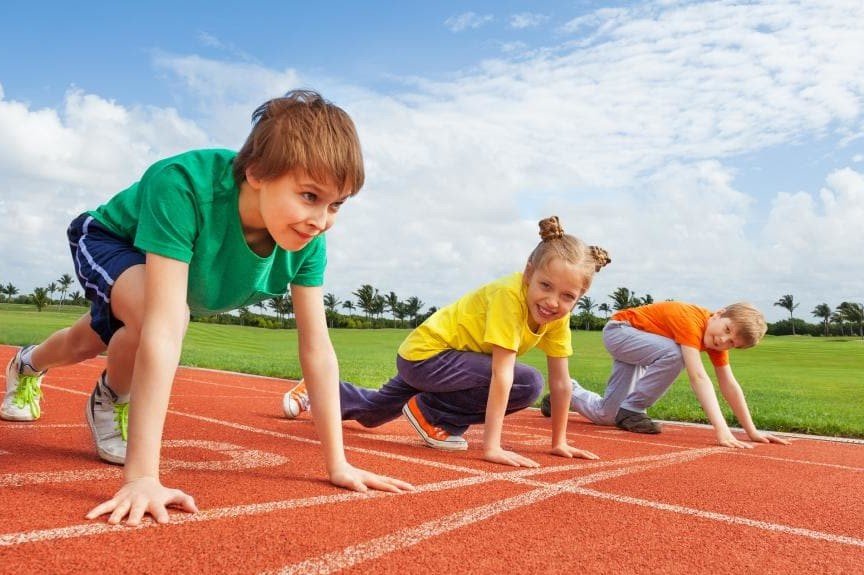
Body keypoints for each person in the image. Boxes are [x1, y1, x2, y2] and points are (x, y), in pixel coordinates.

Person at [2, 90, 413, 525]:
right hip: (112, 239)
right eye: (309, 196)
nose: (322, 220)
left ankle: (27, 365)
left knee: (86, 340)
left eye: (336, 205)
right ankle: (110, 399)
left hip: (165, 278)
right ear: (256, 172)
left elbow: (317, 350)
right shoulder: (181, 186)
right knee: (162, 319)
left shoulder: (308, 242)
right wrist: (142, 477)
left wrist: (338, 464)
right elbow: (162, 328)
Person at [285, 216, 610, 467]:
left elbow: (563, 382)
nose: (553, 301)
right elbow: (502, 374)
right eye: (545, 285)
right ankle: (433, 415)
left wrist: (560, 441)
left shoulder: (557, 316)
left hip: (451, 365)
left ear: (579, 296)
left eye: (568, 296)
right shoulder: (509, 296)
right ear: (528, 274)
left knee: (372, 414)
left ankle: (316, 390)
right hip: (428, 357)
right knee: (527, 383)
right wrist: (492, 447)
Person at [540, 301, 790, 448]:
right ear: (719, 313)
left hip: (640, 344)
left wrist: (751, 431)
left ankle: (565, 394)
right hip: (620, 331)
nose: (723, 340)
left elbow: (729, 384)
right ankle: (633, 410)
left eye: (732, 343)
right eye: (727, 329)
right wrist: (722, 430)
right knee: (677, 354)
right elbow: (699, 377)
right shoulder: (691, 320)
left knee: (607, 415)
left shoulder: (714, 341)